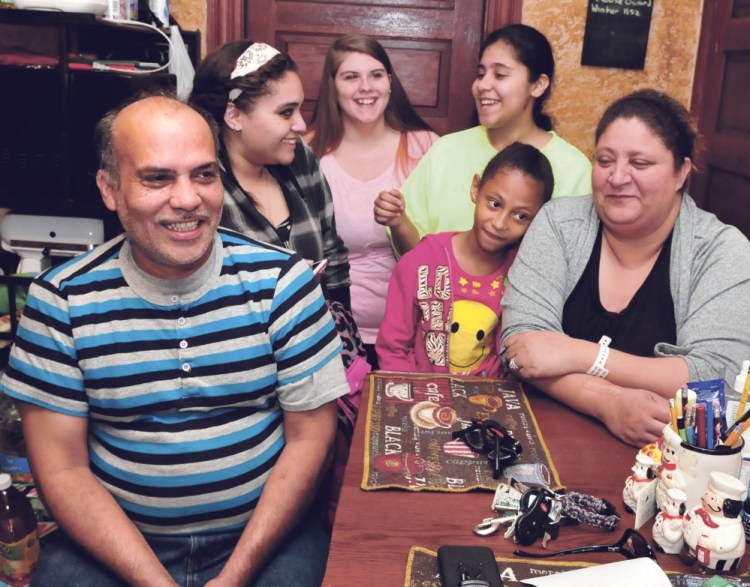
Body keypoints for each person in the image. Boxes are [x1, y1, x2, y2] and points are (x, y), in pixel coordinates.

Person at [0, 92, 349, 586]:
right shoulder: (60, 301)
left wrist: (234, 576)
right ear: (109, 188)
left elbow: (311, 440)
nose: (187, 199)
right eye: (157, 177)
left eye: (204, 174)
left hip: (266, 538)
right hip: (115, 543)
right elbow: (63, 471)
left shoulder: (283, 283)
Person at [501, 89, 750, 447]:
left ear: (681, 171)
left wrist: (582, 353)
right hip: (540, 438)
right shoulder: (558, 224)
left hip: (664, 464)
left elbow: (718, 378)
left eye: (640, 163)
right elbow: (523, 349)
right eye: (604, 161)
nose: (617, 177)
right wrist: (609, 402)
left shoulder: (722, 252)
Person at [374, 24, 592, 256]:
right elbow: (415, 255)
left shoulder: (574, 169)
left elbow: (575, 262)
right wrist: (397, 220)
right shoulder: (446, 150)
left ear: (537, 85)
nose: (482, 85)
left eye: (500, 74)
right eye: (480, 74)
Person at [307, 34, 439, 368]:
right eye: (351, 77)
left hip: (415, 336)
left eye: (376, 75)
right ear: (332, 87)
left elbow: (441, 258)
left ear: (391, 82)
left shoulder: (426, 148)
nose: (366, 87)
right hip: (330, 336)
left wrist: (399, 221)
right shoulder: (308, 153)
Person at [189, 40, 351, 309]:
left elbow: (333, 256)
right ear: (234, 116)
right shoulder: (201, 187)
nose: (300, 125)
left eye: (299, 109)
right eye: (286, 112)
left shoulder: (300, 159)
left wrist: (344, 336)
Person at [376, 142, 553, 375]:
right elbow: (393, 348)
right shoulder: (423, 260)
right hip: (421, 400)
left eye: (520, 216)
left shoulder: (522, 273)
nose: (499, 223)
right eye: (495, 204)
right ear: (476, 189)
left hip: (489, 402)